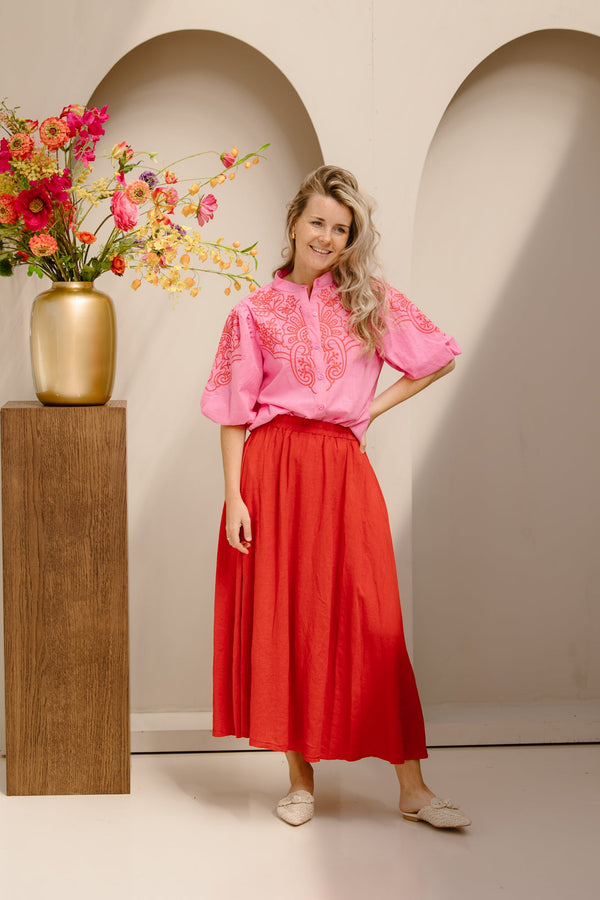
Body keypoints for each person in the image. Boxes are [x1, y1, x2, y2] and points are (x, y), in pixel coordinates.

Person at [201, 165, 470, 829]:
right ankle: (300, 782)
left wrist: (366, 411)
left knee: (374, 620)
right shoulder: (252, 312)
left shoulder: (368, 299)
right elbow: (233, 413)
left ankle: (413, 789)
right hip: (271, 470)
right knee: (286, 618)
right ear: (294, 222)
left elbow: (437, 357)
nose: (326, 236)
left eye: (341, 229)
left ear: (351, 239)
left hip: (342, 468)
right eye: (318, 222)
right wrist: (234, 497)